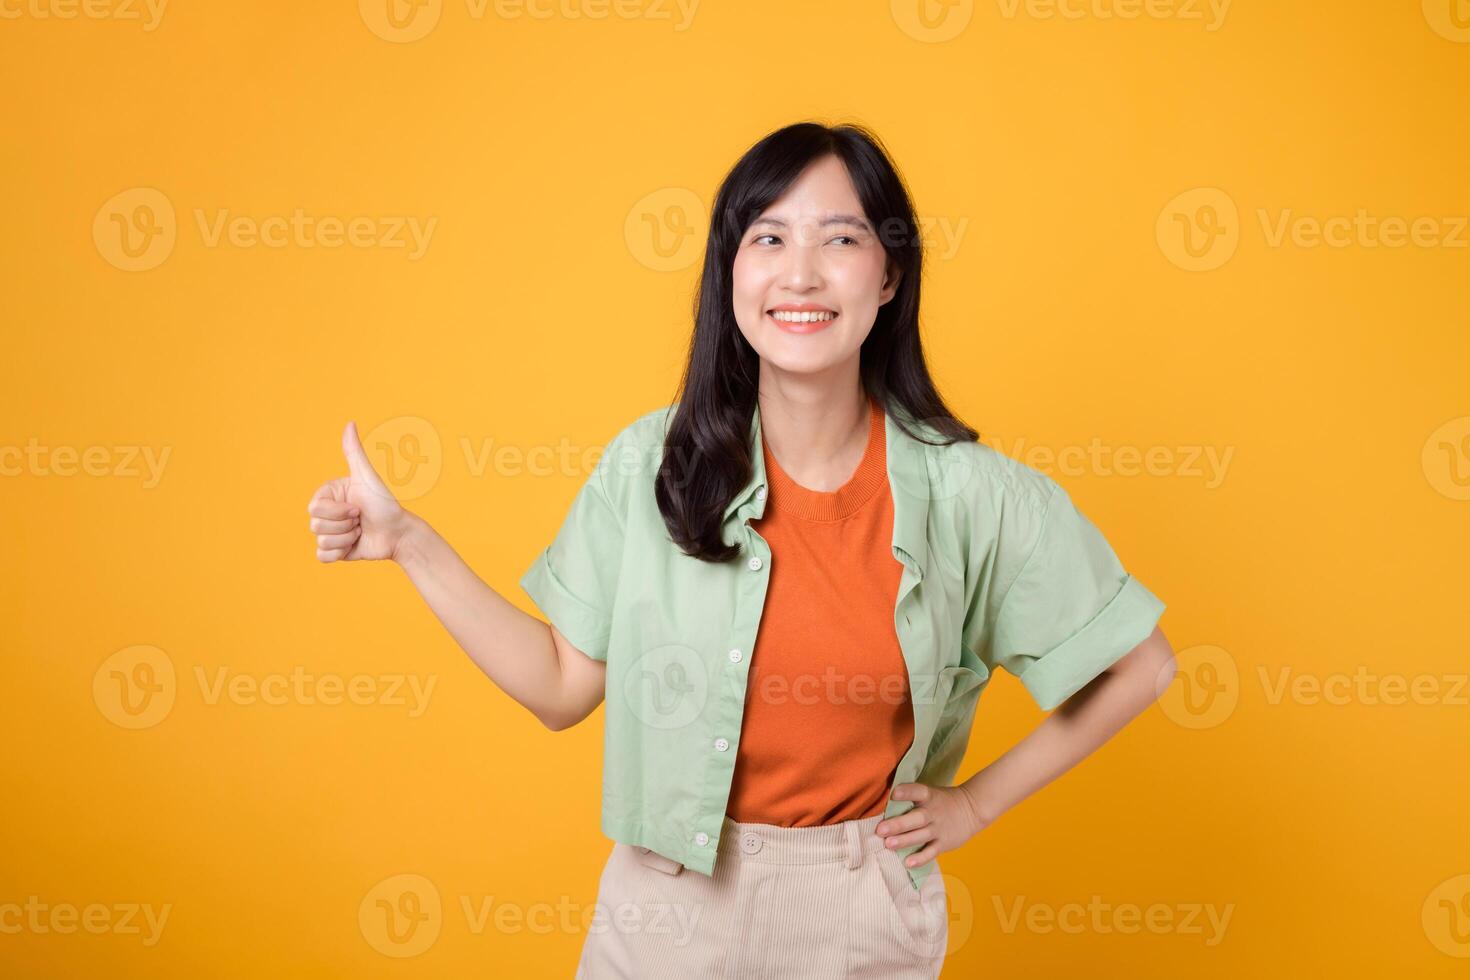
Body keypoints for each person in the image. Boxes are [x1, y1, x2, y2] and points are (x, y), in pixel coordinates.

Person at [305, 120, 1177, 978]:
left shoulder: (974, 495)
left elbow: (1141, 664)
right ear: (732, 271)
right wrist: (408, 543)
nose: (801, 272)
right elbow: (562, 688)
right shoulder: (652, 466)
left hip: (863, 920)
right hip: (663, 915)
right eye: (768, 237)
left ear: (888, 275)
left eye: (841, 238)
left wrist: (977, 805)